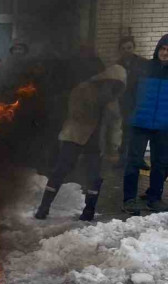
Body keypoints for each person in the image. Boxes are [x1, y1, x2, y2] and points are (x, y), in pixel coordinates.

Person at [34, 65, 126, 221]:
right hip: (74, 137)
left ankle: (89, 210)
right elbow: (76, 114)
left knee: (95, 176)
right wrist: (99, 103)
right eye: (110, 83)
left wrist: (113, 149)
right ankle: (44, 207)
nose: (111, 87)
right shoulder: (83, 89)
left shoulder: (112, 101)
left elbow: (115, 126)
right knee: (60, 170)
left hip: (96, 142)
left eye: (116, 85)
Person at [122, 34, 168, 215]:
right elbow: (128, 94)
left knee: (160, 163)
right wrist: (128, 115)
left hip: (164, 126)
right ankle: (129, 200)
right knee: (133, 161)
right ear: (158, 49)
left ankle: (154, 199)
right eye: (163, 49)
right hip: (139, 123)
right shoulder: (144, 68)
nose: (165, 53)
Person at [116, 36, 150, 166]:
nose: (127, 51)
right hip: (125, 103)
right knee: (125, 131)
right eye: (123, 48)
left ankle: (138, 159)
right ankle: (122, 159)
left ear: (134, 48)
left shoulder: (144, 64)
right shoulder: (117, 66)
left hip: (140, 103)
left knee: (140, 133)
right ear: (120, 50)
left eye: (129, 47)